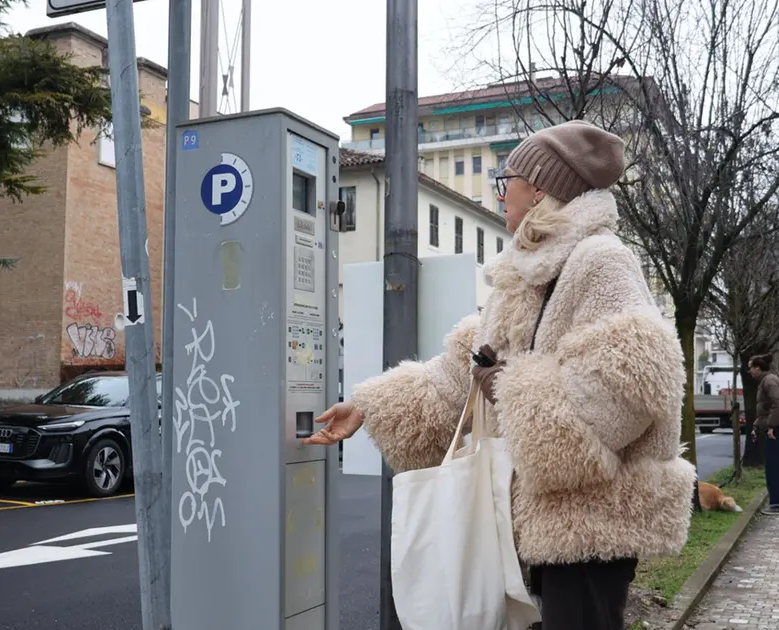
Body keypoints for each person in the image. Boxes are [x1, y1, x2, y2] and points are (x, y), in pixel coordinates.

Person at [305, 120, 696, 630]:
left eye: (504, 179)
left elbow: (634, 379)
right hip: (537, 520)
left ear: (539, 188)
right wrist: (367, 405)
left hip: (590, 526)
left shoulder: (599, 259)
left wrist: (512, 387)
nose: (500, 192)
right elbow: (463, 372)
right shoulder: (529, 271)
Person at [749, 354, 779, 515]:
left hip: (775, 430)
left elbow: (777, 403)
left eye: (751, 368)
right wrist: (756, 426)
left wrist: (772, 426)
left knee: (773, 466)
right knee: (771, 465)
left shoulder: (770, 381)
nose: (749, 371)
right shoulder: (765, 382)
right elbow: (764, 411)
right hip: (771, 428)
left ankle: (776, 503)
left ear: (758, 368)